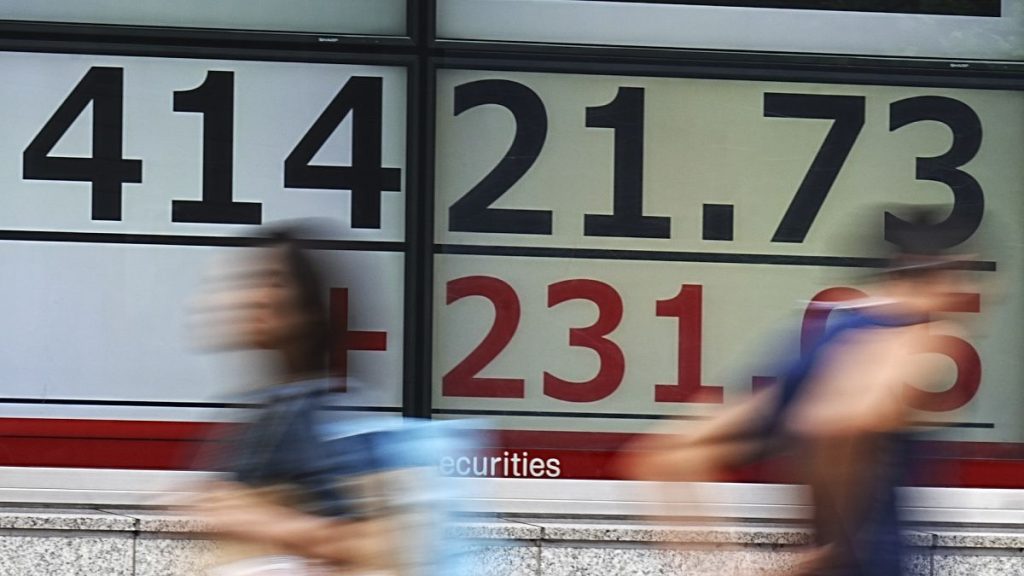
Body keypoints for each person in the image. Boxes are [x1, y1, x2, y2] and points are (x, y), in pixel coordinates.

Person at [620, 208, 978, 576]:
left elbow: (665, 456)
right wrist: (835, 550)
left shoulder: (826, 341)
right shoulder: (905, 341)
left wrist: (727, 565)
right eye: (966, 276)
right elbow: (836, 423)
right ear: (942, 275)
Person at [189, 224, 441, 575]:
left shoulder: (322, 415)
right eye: (245, 280)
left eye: (272, 281)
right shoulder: (272, 408)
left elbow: (374, 543)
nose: (251, 296)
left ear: (310, 307)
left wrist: (257, 519)